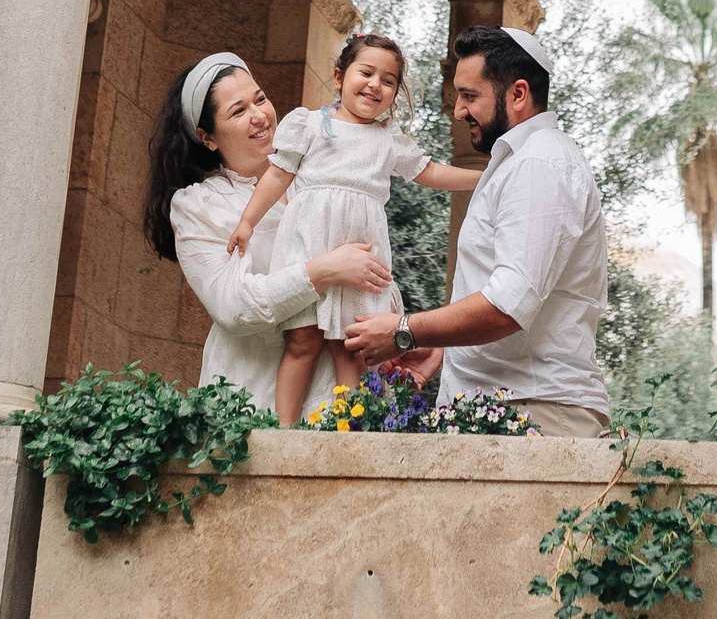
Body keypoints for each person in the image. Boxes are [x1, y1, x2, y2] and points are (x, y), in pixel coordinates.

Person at [342, 25, 611, 437]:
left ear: (518, 94)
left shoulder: (539, 164)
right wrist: (444, 350)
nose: (458, 112)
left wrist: (404, 331)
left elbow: (509, 303)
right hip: (506, 408)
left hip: (537, 411)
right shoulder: (517, 162)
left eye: (470, 97)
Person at [227, 33, 481, 424]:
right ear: (339, 76)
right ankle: (281, 429)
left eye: (389, 80)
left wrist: (481, 178)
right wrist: (247, 221)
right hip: (309, 246)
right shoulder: (309, 125)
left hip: (361, 254)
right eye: (366, 72)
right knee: (302, 340)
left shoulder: (387, 139)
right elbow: (278, 176)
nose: (375, 84)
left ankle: (355, 430)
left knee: (353, 345)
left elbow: (428, 171)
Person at [144, 52, 395, 412]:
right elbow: (234, 306)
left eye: (259, 99)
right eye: (238, 111)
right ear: (208, 137)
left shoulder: (317, 175)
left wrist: (403, 328)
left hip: (343, 404)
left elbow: (363, 271)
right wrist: (325, 270)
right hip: (255, 405)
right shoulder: (200, 204)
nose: (260, 115)